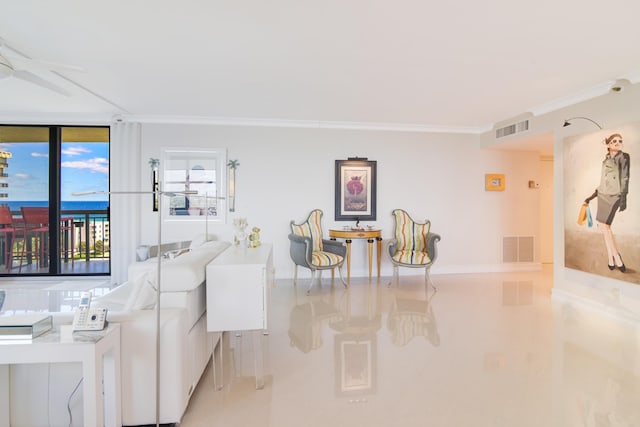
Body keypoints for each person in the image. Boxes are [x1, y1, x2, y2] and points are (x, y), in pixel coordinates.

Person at [584, 133, 630, 272]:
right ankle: (611, 257)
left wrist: (623, 197)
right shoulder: (605, 160)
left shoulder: (624, 157)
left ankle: (616, 256)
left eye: (620, 141)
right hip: (603, 195)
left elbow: (625, 178)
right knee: (604, 228)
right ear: (608, 145)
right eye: (614, 141)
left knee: (606, 227)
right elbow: (602, 181)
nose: (618, 143)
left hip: (614, 196)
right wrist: (592, 196)